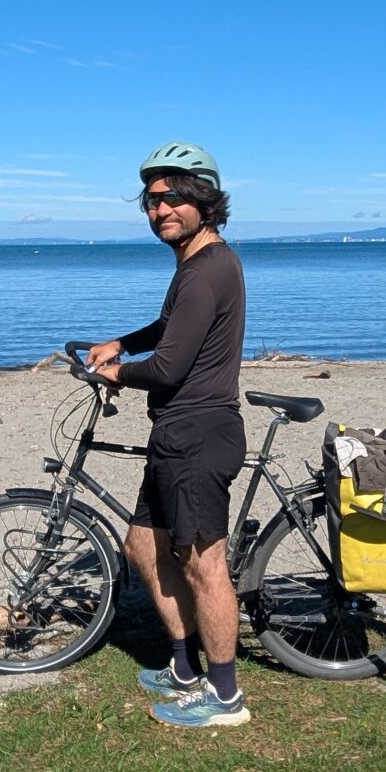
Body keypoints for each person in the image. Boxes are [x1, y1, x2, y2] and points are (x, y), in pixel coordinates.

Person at [85, 141, 251, 729]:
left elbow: (170, 368)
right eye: (152, 202)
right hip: (175, 433)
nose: (160, 210)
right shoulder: (196, 266)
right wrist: (122, 343)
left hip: (199, 435)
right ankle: (183, 666)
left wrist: (117, 373)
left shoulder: (207, 272)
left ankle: (226, 697)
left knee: (206, 565)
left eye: (173, 198)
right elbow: (168, 329)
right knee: (144, 548)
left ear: (204, 202)